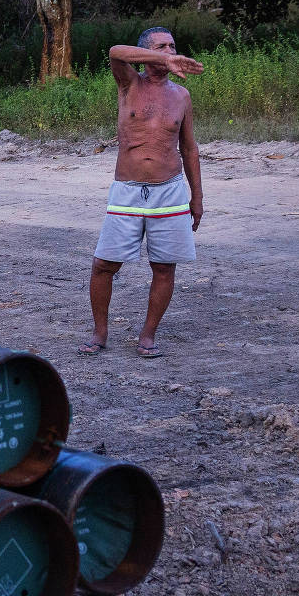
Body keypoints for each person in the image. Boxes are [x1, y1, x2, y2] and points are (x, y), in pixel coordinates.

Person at [83, 26, 204, 358]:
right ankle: (100, 332)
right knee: (104, 265)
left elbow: (189, 149)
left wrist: (198, 197)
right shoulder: (129, 84)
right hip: (127, 191)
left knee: (164, 267)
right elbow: (114, 51)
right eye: (161, 46)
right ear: (146, 53)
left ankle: (148, 336)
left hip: (170, 192)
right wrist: (162, 58)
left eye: (173, 46)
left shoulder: (181, 96)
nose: (169, 50)